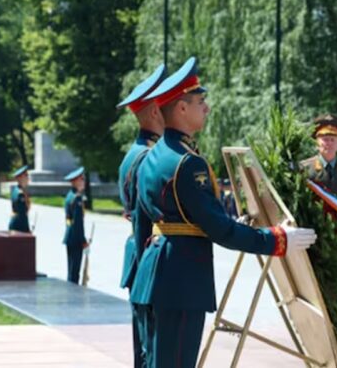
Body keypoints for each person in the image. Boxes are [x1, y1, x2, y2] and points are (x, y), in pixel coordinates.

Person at [129, 56, 317, 367]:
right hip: (181, 281)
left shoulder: (154, 156)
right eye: (200, 101)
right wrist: (277, 239)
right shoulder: (187, 163)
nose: (207, 108)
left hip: (154, 277)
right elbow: (219, 230)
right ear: (181, 108)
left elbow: (143, 225)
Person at [115, 64, 166, 368]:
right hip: (148, 256)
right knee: (151, 351)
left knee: (147, 348)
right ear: (152, 113)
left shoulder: (137, 152)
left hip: (141, 255)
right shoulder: (147, 157)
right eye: (164, 106)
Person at [300, 114, 337, 218]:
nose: (329, 143)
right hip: (313, 228)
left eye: (333, 140)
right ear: (316, 143)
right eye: (325, 139)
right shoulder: (305, 169)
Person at [63, 167, 87, 284]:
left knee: (71, 269)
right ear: (75, 181)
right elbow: (78, 224)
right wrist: (83, 240)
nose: (83, 182)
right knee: (74, 272)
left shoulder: (70, 195)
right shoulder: (77, 198)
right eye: (81, 179)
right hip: (75, 238)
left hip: (70, 236)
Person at [9, 165, 32, 233]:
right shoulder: (20, 194)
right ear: (20, 178)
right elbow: (22, 214)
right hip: (19, 226)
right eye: (26, 175)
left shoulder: (16, 190)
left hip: (15, 224)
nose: (28, 178)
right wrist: (27, 230)